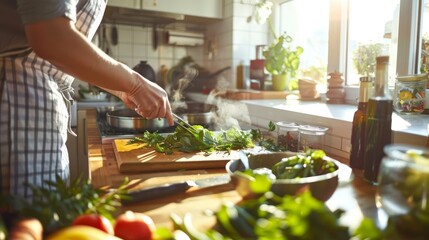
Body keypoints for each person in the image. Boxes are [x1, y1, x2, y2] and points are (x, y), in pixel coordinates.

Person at [0, 0, 174, 199]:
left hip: (34, 105)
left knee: (46, 216)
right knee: (26, 220)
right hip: (14, 103)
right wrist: (136, 84)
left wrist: (122, 89)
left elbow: (66, 53)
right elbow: (50, 35)